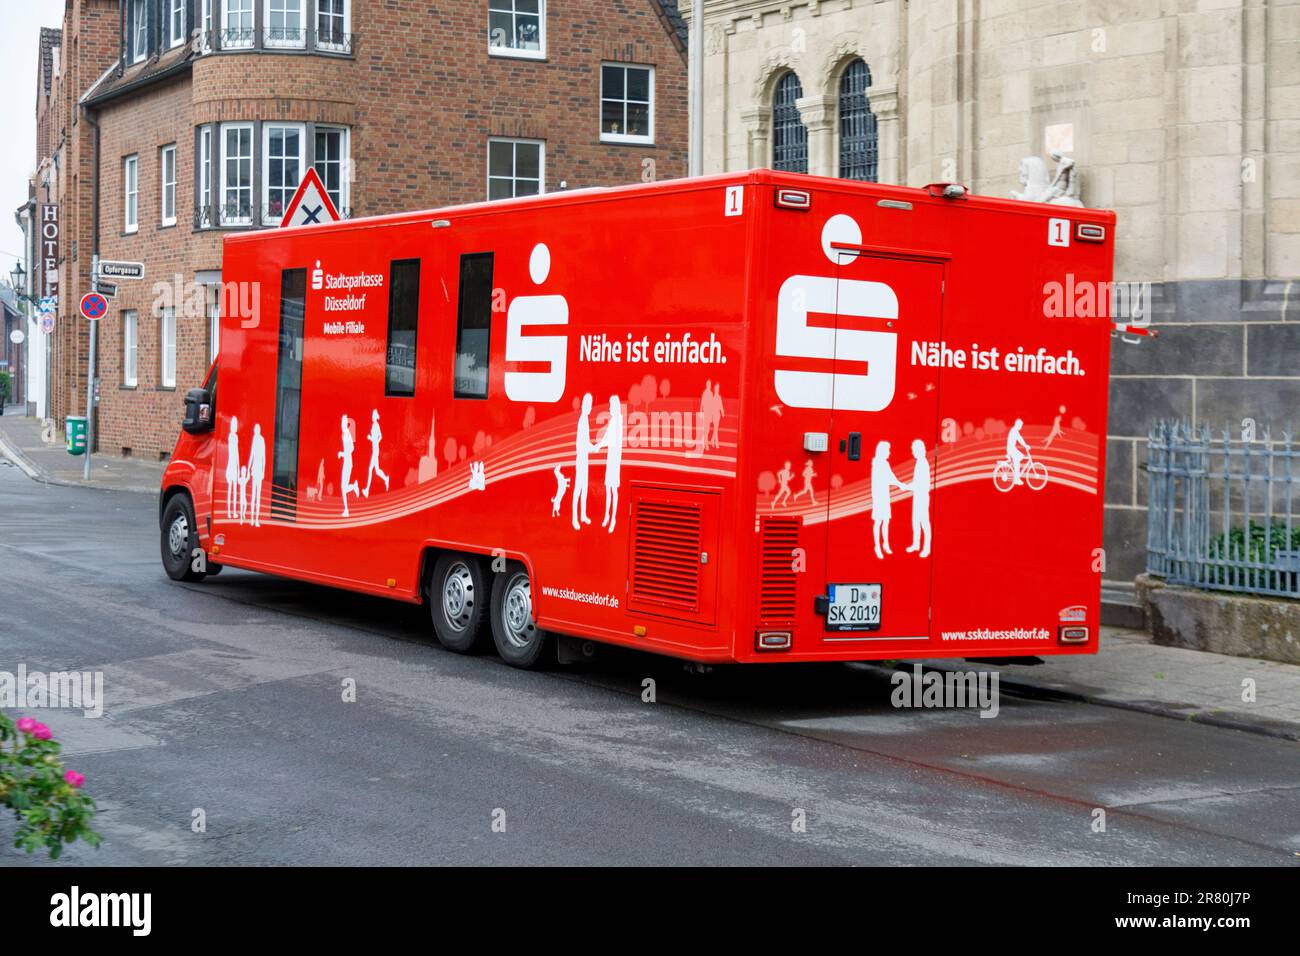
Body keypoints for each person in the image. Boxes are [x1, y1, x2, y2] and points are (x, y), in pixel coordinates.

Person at [871, 441, 907, 559]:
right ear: (882, 451)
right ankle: (877, 546)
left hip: (885, 496)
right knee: (879, 522)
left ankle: (885, 544)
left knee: (886, 521)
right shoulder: (877, 464)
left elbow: (891, 476)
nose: (889, 452)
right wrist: (900, 484)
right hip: (878, 496)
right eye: (887, 450)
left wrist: (899, 484)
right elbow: (888, 479)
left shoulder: (885, 464)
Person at [598, 395, 624, 533]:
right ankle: (607, 516)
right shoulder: (614, 420)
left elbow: (609, 440)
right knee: (609, 489)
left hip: (614, 460)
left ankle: (613, 518)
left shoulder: (617, 420)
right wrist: (598, 445)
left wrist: (598, 446)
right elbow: (605, 437)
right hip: (611, 459)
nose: (609, 408)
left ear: (615, 406)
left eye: (610, 405)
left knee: (613, 490)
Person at [572, 394, 596, 529]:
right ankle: (575, 518)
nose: (590, 406)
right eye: (588, 404)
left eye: (591, 404)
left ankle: (582, 515)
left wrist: (592, 447)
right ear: (583, 405)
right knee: (578, 489)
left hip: (584, 458)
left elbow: (586, 442)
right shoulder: (582, 420)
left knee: (584, 489)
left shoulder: (585, 419)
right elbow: (582, 443)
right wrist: (594, 448)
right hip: (581, 459)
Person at [905, 439, 931, 558]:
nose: (912, 451)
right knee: (915, 521)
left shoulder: (923, 463)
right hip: (918, 496)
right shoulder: (919, 462)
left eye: (914, 449)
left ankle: (926, 548)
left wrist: (906, 487)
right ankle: (916, 544)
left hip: (922, 497)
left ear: (919, 450)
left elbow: (920, 483)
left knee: (924, 523)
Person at [363, 409, 389, 498]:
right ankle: (386, 478)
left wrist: (372, 439)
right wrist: (374, 441)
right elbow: (380, 437)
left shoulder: (376, 425)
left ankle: (367, 490)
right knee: (376, 471)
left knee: (371, 470)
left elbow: (380, 437)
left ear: (374, 416)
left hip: (375, 450)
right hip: (375, 449)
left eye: (373, 415)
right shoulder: (374, 425)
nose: (371, 416)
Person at [338, 414, 360, 517]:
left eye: (343, 421)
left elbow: (351, 448)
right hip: (346, 462)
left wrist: (342, 454)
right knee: (343, 487)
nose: (341, 424)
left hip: (348, 462)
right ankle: (346, 509)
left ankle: (346, 510)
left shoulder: (347, 433)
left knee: (343, 487)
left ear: (346, 423)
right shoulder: (344, 434)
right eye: (341, 421)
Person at [248, 423, 266, 527]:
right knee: (254, 495)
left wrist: (263, 471)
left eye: (257, 429)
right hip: (255, 470)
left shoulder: (260, 439)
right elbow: (252, 454)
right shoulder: (256, 439)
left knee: (257, 495)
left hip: (258, 470)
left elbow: (263, 456)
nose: (256, 430)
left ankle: (256, 519)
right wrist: (250, 466)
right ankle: (252, 518)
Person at [225, 417, 241, 520]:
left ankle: (233, 511)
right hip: (231, 465)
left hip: (233, 465)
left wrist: (238, 467)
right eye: (234, 424)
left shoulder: (234, 436)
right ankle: (230, 511)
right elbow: (234, 453)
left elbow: (236, 453)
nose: (235, 426)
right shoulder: (232, 436)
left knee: (234, 490)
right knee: (231, 490)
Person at [1006, 418, 1031, 485]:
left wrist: (1025, 445)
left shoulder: (1014, 430)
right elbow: (1020, 439)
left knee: (1019, 458)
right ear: (1018, 425)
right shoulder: (1014, 431)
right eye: (1021, 425)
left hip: (1011, 448)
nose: (1021, 427)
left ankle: (1016, 473)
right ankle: (1016, 479)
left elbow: (1020, 438)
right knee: (1018, 460)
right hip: (1011, 449)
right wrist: (1026, 446)